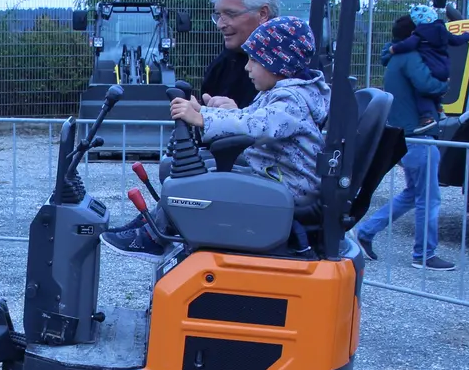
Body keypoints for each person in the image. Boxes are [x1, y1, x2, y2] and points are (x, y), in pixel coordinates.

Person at [102, 15, 331, 261]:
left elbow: (256, 126)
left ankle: (155, 235)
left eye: (254, 60)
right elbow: (248, 115)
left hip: (289, 189)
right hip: (277, 178)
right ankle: (157, 225)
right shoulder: (283, 94)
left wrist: (202, 120)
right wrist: (205, 110)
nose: (247, 67)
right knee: (201, 171)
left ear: (277, 63)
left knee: (201, 183)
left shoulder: (291, 100)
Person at [353, 15, 455, 271]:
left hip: (409, 135)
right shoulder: (411, 58)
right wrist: (446, 83)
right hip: (419, 136)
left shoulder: (396, 57)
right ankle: (424, 254)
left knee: (414, 193)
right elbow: (428, 84)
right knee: (428, 198)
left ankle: (366, 231)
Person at [198, 0, 281, 112]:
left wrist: (236, 118)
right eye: (218, 15)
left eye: (230, 14)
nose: (220, 25)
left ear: (262, 14)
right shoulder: (220, 67)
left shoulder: (291, 64)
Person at [383, 4, 469, 125]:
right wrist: (445, 85)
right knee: (422, 93)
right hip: (415, 129)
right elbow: (426, 86)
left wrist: (393, 49)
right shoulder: (410, 56)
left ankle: (432, 112)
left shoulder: (398, 55)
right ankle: (428, 115)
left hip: (403, 124)